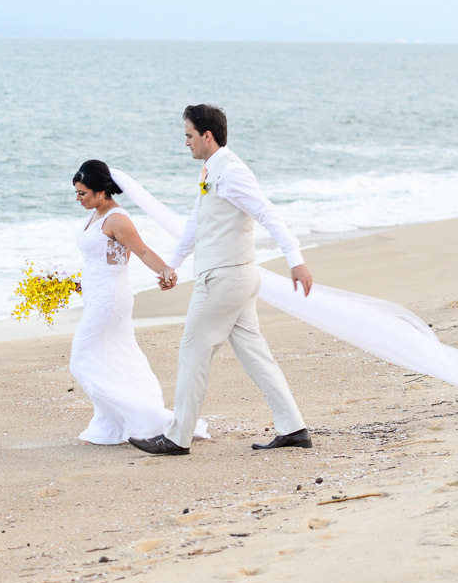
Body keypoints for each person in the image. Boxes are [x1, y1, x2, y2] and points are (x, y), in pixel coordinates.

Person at [128, 104, 312, 456]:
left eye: (188, 135)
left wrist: (296, 260)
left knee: (192, 350)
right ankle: (294, 428)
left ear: (206, 135)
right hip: (237, 277)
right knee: (256, 355)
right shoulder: (211, 171)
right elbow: (196, 224)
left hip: (224, 279)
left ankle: (177, 437)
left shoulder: (231, 172)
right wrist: (172, 265)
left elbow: (267, 214)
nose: (186, 143)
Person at [69, 160, 206, 445]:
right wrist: (78, 282)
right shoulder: (95, 215)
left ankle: (144, 419)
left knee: (81, 360)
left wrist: (167, 270)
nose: (78, 198)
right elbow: (106, 258)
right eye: (77, 193)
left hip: (109, 299)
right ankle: (111, 424)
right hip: (97, 295)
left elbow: (141, 251)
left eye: (83, 193)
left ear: (102, 192)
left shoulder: (117, 218)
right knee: (115, 358)